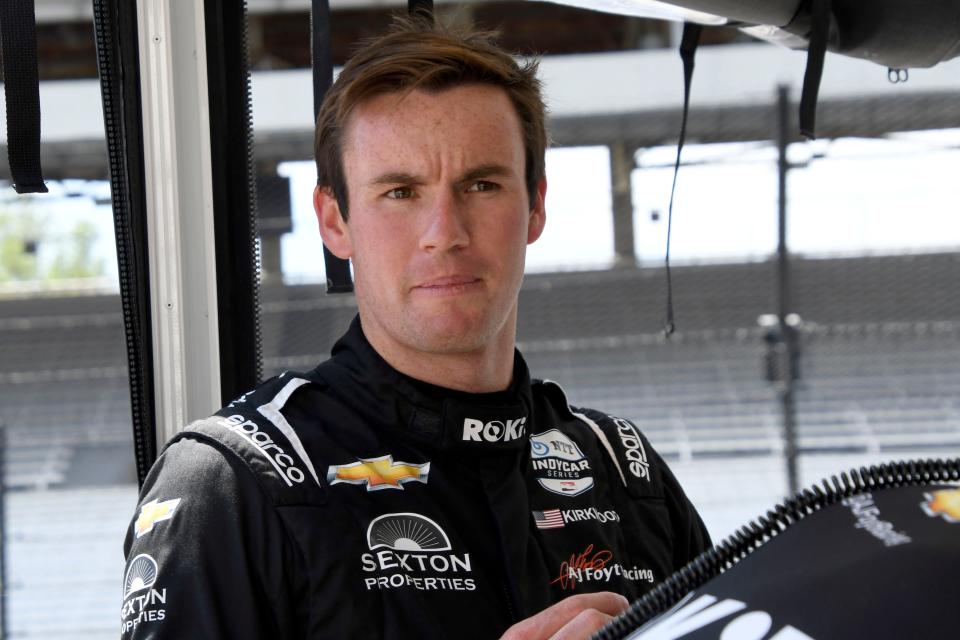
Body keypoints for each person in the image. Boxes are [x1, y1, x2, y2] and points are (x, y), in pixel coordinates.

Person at [121, 16, 711, 639]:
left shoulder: (624, 468)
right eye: (400, 192)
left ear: (535, 206)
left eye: (482, 184)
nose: (445, 234)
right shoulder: (233, 480)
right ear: (334, 221)